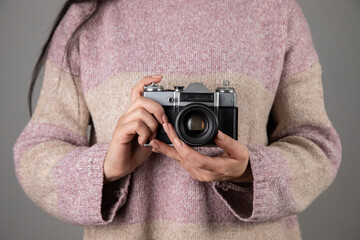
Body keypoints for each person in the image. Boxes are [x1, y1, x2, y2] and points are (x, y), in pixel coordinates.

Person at [13, 0, 342, 239]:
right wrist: (105, 168)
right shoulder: (86, 16)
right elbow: (34, 156)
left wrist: (249, 171)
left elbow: (318, 146)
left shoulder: (276, 10)